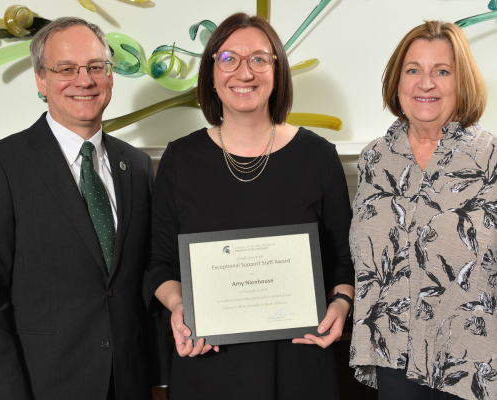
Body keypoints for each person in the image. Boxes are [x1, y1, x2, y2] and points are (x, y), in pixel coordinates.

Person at [144, 12, 355, 400]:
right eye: (228, 59)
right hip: (208, 364)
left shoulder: (319, 157)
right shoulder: (179, 160)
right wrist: (178, 309)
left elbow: (344, 260)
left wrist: (341, 304)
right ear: (210, 72)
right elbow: (160, 264)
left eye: (259, 58)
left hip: (301, 365)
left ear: (277, 71)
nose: (245, 73)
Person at [0, 17, 169, 400]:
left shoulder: (138, 166)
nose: (84, 80)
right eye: (66, 69)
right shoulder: (5, 165)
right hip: (43, 387)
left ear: (110, 75)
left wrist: (161, 379)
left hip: (130, 384)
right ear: (41, 80)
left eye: (95, 67)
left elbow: (143, 280)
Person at [350, 20, 495, 400]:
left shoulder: (491, 159)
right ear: (397, 82)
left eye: (441, 71)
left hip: (473, 367)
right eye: (413, 70)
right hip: (393, 358)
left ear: (461, 82)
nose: (425, 83)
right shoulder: (374, 159)